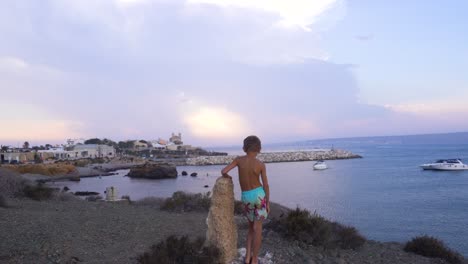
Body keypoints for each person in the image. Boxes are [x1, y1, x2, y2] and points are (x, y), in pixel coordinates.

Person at [221, 135, 270, 264]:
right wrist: (268, 203)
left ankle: (247, 257)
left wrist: (228, 177)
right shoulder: (260, 164)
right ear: (259, 149)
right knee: (257, 228)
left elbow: (224, 170)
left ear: (244, 148)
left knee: (250, 228)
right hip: (259, 196)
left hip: (246, 196)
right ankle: (254, 260)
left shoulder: (238, 160)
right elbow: (265, 185)